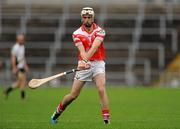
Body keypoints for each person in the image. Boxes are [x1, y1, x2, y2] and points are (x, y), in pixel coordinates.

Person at [51, 7, 110, 124]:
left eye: (89, 17)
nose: (87, 19)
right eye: (85, 17)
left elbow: (94, 47)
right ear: (81, 18)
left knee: (101, 89)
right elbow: (82, 51)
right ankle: (56, 113)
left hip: (98, 63)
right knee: (73, 95)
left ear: (93, 18)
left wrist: (85, 61)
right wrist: (84, 62)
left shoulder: (100, 31)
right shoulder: (76, 34)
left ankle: (106, 119)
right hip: (83, 64)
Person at [4, 34, 29, 99]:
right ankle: (23, 97)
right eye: (21, 39)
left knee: (18, 83)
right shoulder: (15, 47)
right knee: (23, 81)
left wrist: (25, 65)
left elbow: (22, 58)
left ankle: (7, 91)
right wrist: (14, 67)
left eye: (23, 39)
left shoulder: (23, 46)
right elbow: (13, 58)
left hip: (22, 67)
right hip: (18, 67)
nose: (22, 40)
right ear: (17, 40)